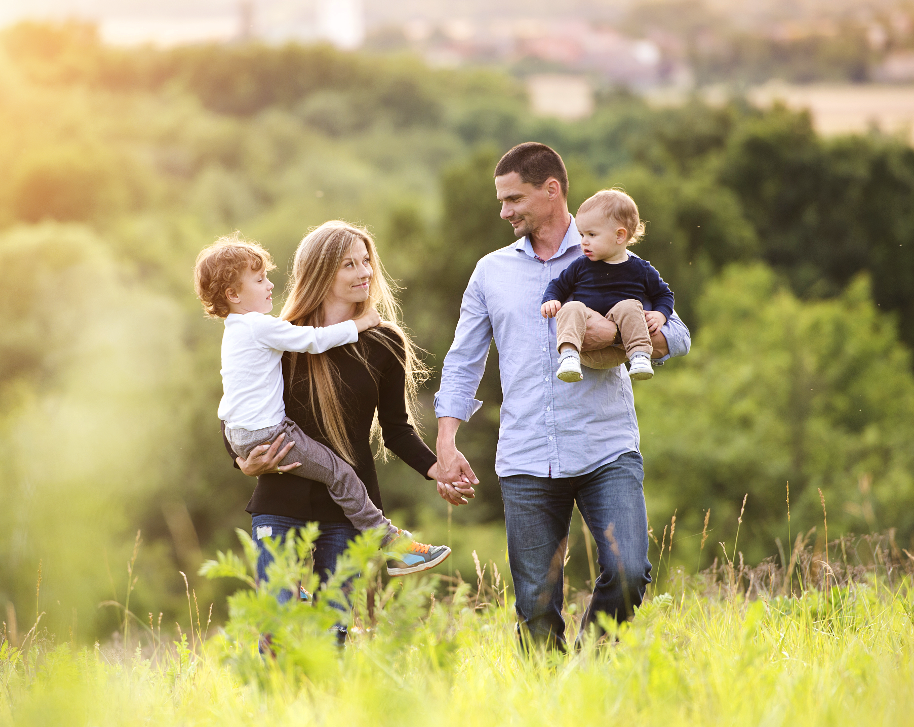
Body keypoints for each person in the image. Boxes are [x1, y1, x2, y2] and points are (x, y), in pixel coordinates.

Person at [433, 142, 691, 650]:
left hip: (606, 447)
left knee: (628, 571)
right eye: (501, 201)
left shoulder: (618, 257)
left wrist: (620, 337)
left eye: (514, 199)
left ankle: (587, 671)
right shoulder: (491, 272)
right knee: (534, 602)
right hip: (526, 455)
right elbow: (464, 359)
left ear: (552, 191)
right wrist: (446, 441)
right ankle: (549, 698)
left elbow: (678, 335)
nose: (504, 211)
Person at [218, 221, 451, 607]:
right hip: (281, 501)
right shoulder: (282, 335)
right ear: (321, 272)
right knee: (279, 626)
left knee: (336, 631)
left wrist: (438, 467)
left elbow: (396, 430)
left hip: (349, 512)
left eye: (366, 262)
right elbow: (237, 404)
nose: (364, 273)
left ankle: (390, 544)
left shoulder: (384, 341)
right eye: (349, 264)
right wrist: (243, 462)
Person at [540, 189, 675, 383]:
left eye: (592, 234)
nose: (583, 242)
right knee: (572, 307)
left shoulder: (640, 269)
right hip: (585, 348)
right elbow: (558, 285)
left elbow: (664, 294)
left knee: (629, 306)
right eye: (581, 234)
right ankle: (568, 356)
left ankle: (640, 357)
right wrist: (551, 299)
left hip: (623, 351)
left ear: (620, 236)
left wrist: (661, 315)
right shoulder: (581, 265)